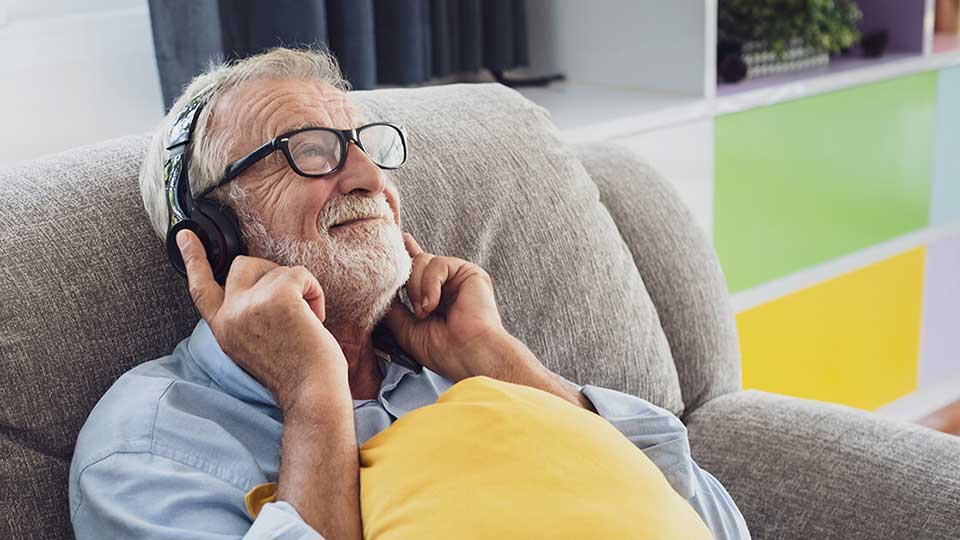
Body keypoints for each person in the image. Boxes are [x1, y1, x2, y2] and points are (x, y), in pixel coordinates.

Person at [69, 47, 750, 540]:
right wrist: (314, 399)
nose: (369, 175)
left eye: (363, 145)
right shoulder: (143, 449)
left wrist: (493, 356)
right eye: (311, 151)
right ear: (216, 237)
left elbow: (711, 523)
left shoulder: (458, 367)